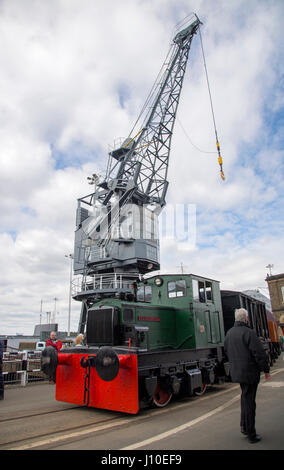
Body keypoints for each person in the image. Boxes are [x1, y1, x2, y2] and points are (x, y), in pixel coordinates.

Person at [224, 308, 271, 443]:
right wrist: (266, 370)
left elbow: (227, 350)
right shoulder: (249, 333)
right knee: (250, 402)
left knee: (245, 399)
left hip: (238, 372)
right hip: (250, 373)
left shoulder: (229, 333)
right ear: (245, 319)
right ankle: (251, 433)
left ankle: (244, 426)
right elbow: (259, 353)